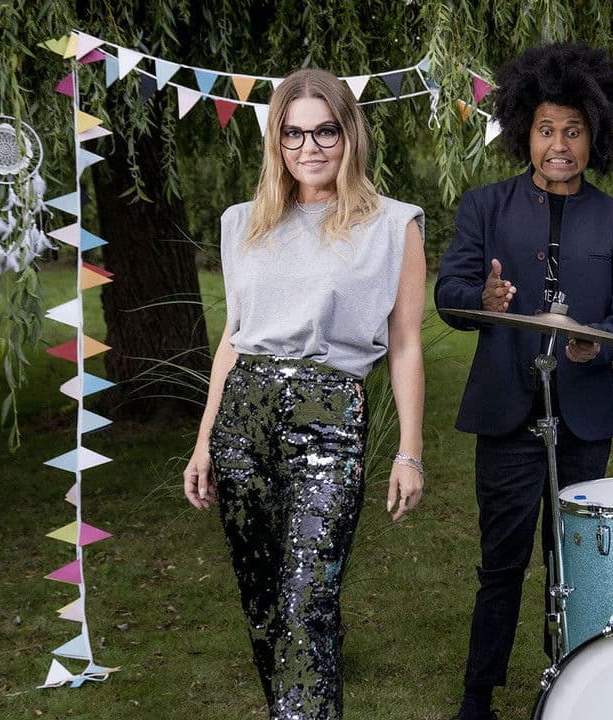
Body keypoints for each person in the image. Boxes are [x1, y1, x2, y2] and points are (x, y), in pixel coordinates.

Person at [181, 68, 426, 720]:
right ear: (276, 141)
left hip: (328, 412)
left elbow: (404, 344)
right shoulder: (243, 223)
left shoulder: (393, 225)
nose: (309, 147)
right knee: (263, 604)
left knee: (308, 602)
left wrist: (409, 451)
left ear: (350, 135)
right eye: (293, 133)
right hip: (243, 415)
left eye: (325, 131)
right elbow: (233, 339)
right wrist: (204, 442)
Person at [433, 43, 613, 720]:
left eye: (573, 131)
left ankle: (575, 688)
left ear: (595, 137)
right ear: (525, 132)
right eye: (546, 130)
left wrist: (595, 345)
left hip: (583, 416)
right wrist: (483, 299)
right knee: (501, 563)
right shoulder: (484, 207)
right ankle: (478, 698)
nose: (559, 145)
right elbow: (448, 294)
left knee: (575, 565)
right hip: (505, 413)